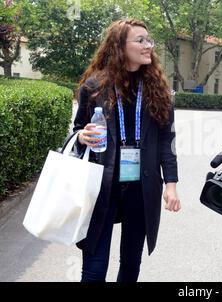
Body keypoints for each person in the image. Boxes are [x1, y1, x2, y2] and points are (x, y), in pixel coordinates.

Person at [73, 19, 180, 282]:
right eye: (140, 40)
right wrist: (81, 136)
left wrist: (171, 184)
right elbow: (77, 129)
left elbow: (167, 139)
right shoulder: (95, 86)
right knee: (94, 270)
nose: (148, 46)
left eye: (148, 40)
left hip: (141, 187)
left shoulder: (159, 91)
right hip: (102, 187)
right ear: (120, 46)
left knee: (131, 265)